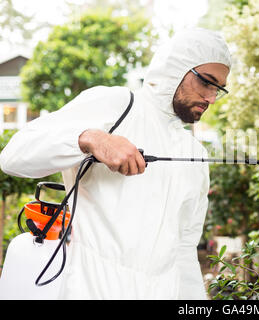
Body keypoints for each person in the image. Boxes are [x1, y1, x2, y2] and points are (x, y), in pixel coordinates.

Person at [0, 27, 232, 299]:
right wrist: (89, 139)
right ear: (176, 67)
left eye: (218, 89)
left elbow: (184, 249)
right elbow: (13, 156)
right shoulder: (118, 105)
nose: (211, 98)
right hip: (89, 289)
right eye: (206, 81)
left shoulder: (195, 154)